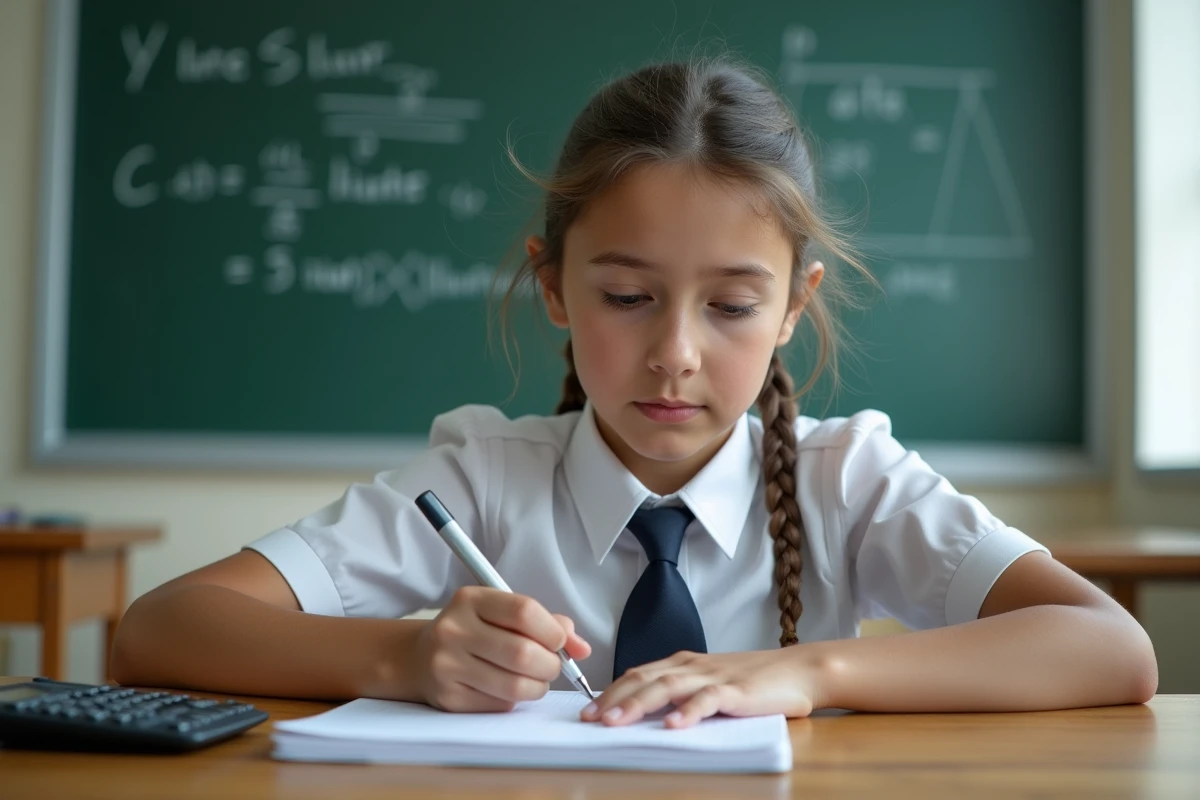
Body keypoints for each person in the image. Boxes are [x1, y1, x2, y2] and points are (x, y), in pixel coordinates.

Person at [111, 57, 1157, 729]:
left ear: (797, 305)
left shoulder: (847, 481)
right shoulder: (481, 479)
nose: (675, 353)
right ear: (553, 282)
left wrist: (809, 675)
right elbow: (158, 628)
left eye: (733, 306)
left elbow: (1112, 644)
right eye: (626, 294)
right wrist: (403, 651)